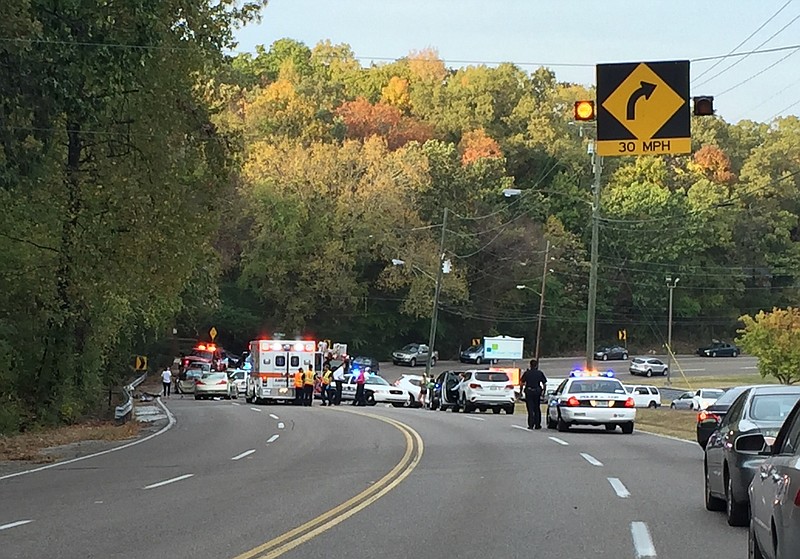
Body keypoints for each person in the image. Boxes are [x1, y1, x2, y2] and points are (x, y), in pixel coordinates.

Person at [520, 359, 547, 429]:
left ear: (530, 365)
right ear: (536, 366)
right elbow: (544, 384)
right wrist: (543, 392)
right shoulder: (539, 373)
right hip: (537, 391)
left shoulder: (527, 373)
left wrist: (521, 392)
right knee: (537, 408)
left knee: (530, 408)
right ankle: (537, 424)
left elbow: (522, 383)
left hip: (529, 391)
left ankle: (531, 424)